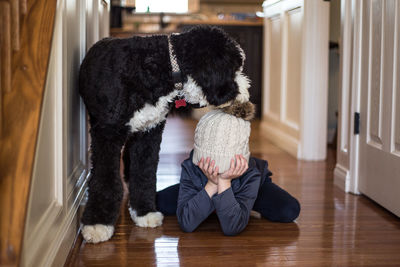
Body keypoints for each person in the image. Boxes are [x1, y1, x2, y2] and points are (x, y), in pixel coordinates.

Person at [156, 103, 300, 236]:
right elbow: (186, 224)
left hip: (246, 188)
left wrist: (224, 181)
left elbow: (232, 228)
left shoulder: (250, 172)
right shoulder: (192, 167)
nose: (218, 169)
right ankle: (211, 204)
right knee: (157, 202)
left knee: (289, 209)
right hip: (200, 188)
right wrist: (212, 184)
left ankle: (228, 205)